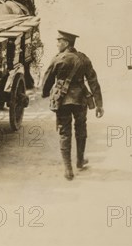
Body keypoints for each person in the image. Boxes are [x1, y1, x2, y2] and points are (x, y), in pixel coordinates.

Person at [42, 31, 104, 181]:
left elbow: (47, 80)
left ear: (66, 43)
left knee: (64, 132)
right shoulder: (83, 59)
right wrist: (99, 104)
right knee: (81, 129)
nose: (57, 44)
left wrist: (45, 93)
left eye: (59, 41)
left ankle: (68, 169)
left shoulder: (58, 59)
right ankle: (80, 160)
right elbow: (93, 81)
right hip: (80, 99)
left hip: (62, 101)